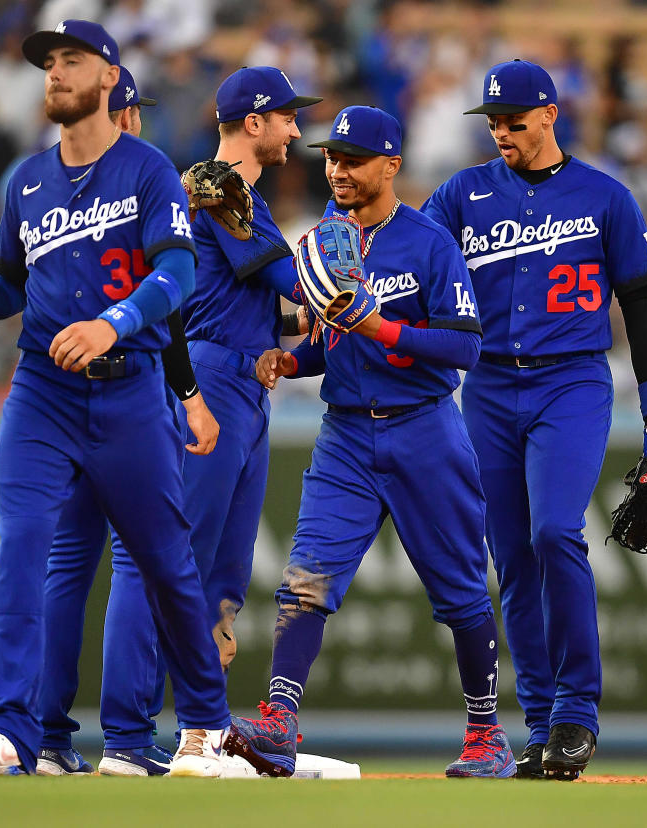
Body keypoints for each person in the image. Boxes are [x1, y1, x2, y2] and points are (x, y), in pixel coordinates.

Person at [0, 20, 229, 777]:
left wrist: (113, 322)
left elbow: (178, 275)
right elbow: (11, 282)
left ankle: (205, 722)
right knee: (24, 548)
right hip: (43, 390)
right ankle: (11, 731)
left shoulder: (149, 170)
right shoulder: (26, 180)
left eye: (72, 61)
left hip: (128, 387)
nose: (55, 73)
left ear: (109, 78)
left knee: (166, 563)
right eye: (48, 63)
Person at [225, 105, 516, 779]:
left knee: (462, 594)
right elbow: (335, 340)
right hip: (347, 433)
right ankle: (279, 723)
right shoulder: (328, 238)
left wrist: (379, 326)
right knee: (304, 582)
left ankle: (485, 735)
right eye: (331, 158)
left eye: (353, 159)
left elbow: (464, 345)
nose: (338, 169)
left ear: (391, 165)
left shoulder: (428, 240)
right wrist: (293, 361)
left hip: (424, 428)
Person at [420, 59, 647, 780]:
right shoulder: (461, 195)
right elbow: (411, 267)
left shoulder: (604, 195)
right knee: (512, 556)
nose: (502, 131)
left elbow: (643, 307)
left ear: (549, 115)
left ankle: (576, 713)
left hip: (572, 382)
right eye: (493, 121)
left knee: (555, 529)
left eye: (514, 119)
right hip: (490, 388)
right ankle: (538, 723)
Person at [34, 64, 222, 778]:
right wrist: (188, 392)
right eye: (133, 108)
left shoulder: (56, 184)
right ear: (128, 113)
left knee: (64, 567)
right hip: (127, 392)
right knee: (147, 564)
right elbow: (166, 303)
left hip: (57, 389)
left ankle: (47, 740)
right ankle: (125, 740)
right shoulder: (148, 179)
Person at [176, 65, 320, 685]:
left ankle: (199, 730)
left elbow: (273, 305)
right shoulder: (221, 189)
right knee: (189, 557)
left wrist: (311, 320)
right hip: (212, 378)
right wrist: (358, 299)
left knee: (227, 571)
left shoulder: (246, 198)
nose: (295, 128)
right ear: (254, 121)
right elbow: (293, 281)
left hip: (250, 382)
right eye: (287, 116)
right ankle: (136, 730)